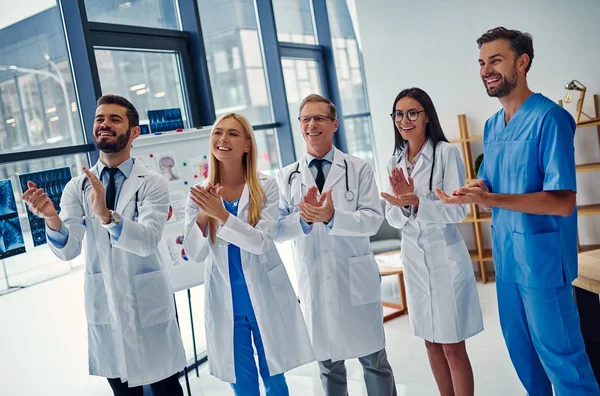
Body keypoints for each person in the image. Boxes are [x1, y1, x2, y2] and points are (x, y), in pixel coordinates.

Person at [437, 27, 600, 395]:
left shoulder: (550, 119)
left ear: (522, 62)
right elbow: (492, 183)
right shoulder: (494, 126)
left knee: (564, 362)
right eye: (481, 62)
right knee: (523, 357)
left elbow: (562, 200)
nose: (485, 70)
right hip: (508, 260)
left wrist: (490, 200)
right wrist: (473, 190)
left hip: (542, 262)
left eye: (495, 60)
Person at [21, 95, 186, 395]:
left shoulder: (152, 183)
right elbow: (69, 248)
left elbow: (147, 240)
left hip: (148, 304)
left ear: (134, 132)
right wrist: (51, 218)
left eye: (114, 119)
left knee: (166, 388)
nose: (104, 125)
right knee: (123, 390)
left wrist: (106, 216)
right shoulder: (78, 186)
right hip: (106, 305)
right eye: (100, 119)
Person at [183, 113, 314, 396]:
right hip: (226, 301)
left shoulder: (264, 187)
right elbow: (194, 252)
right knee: (242, 384)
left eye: (232, 133)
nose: (223, 139)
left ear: (246, 145)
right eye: (218, 132)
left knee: (275, 381)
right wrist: (205, 216)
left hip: (263, 295)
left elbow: (261, 242)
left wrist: (222, 215)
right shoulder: (199, 193)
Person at [276, 94, 397, 396]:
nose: (312, 125)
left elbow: (371, 220)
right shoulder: (286, 176)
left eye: (319, 118)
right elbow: (276, 229)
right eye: (306, 119)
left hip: (354, 278)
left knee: (374, 361)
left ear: (334, 124)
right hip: (315, 281)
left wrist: (333, 217)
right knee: (329, 367)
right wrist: (303, 220)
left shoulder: (359, 168)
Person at [381, 87, 483, 396]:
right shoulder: (394, 161)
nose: (405, 120)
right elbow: (394, 218)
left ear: (427, 117)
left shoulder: (445, 153)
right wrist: (404, 204)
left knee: (452, 346)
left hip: (444, 261)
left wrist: (418, 201)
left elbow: (460, 210)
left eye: (412, 113)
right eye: (399, 114)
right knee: (430, 342)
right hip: (414, 260)